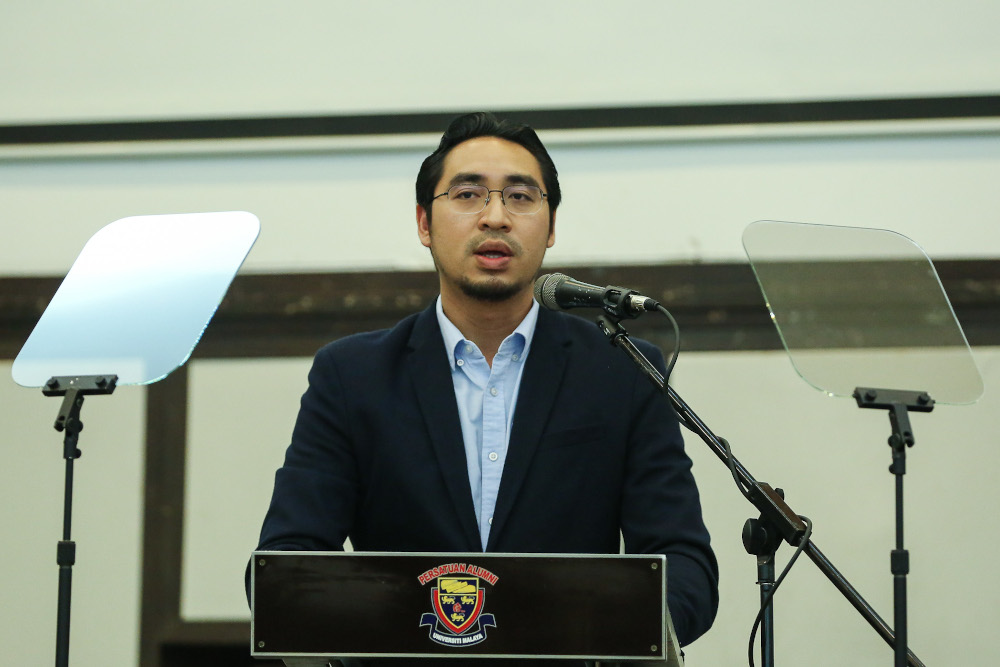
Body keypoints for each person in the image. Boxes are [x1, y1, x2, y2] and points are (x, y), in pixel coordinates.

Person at [253, 112, 718, 661]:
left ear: (549, 228)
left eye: (521, 198)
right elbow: (289, 558)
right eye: (469, 193)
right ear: (425, 223)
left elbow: (683, 560)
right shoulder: (352, 377)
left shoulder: (623, 370)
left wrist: (620, 627)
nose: (495, 217)